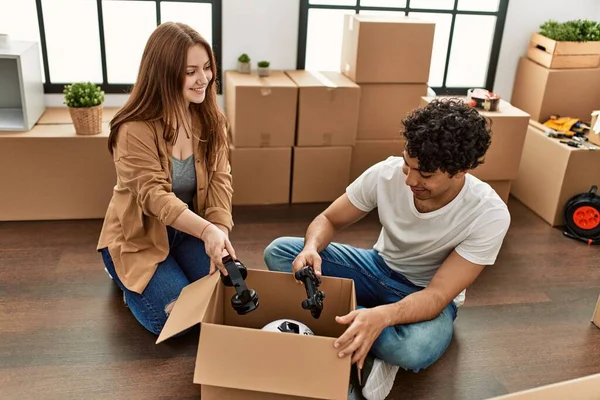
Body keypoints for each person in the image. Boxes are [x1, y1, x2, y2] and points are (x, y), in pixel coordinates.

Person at [263, 98, 511, 400]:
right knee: (281, 252)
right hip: (376, 267)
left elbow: (436, 296)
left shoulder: (489, 214)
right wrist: (312, 248)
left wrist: (385, 315)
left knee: (413, 349)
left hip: (424, 294)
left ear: (460, 170)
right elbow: (328, 219)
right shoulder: (387, 172)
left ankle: (354, 322)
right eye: (408, 164)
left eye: (426, 174)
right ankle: (363, 326)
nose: (409, 179)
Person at [97, 22, 236, 336]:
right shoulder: (133, 130)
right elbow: (154, 197)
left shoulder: (212, 118)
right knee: (175, 321)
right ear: (164, 74)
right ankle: (121, 275)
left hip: (187, 231)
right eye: (190, 72)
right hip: (139, 238)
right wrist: (207, 231)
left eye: (207, 68)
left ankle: (170, 269)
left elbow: (220, 181)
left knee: (221, 297)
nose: (204, 79)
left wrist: (219, 236)